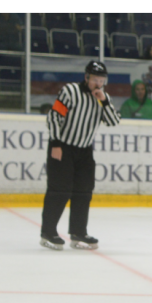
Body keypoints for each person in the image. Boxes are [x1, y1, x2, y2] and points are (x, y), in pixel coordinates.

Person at [40, 60, 121, 250]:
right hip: (62, 147)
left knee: (83, 192)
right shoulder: (70, 91)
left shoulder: (103, 98)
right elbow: (54, 116)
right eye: (95, 79)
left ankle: (78, 232)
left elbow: (113, 121)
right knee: (59, 190)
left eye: (102, 80)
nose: (98, 84)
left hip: (84, 151)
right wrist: (56, 143)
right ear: (86, 78)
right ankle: (48, 231)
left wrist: (104, 101)